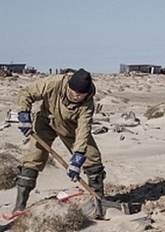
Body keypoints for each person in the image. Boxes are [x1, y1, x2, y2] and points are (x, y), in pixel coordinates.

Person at [13, 68, 106, 212]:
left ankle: (99, 200)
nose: (75, 97)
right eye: (73, 92)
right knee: (33, 158)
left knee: (92, 157)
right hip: (45, 121)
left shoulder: (87, 104)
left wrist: (78, 157)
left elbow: (83, 129)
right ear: (68, 86)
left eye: (80, 95)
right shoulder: (54, 83)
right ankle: (19, 206)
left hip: (70, 127)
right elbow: (26, 93)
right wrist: (24, 114)